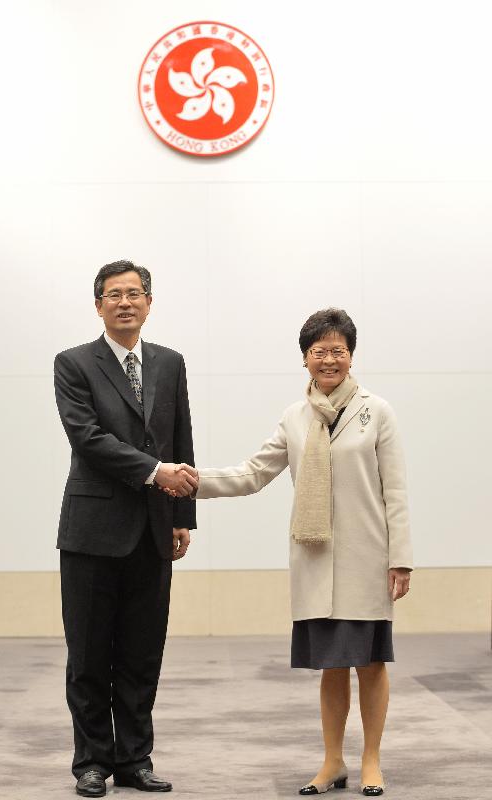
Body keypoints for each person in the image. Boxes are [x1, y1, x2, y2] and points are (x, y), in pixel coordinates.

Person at [196, 308, 412, 797]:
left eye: (338, 350)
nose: (329, 359)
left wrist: (401, 558)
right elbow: (253, 473)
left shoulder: (376, 411)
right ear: (305, 359)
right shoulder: (295, 418)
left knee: (370, 663)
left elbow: (395, 491)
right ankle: (332, 761)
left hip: (367, 559)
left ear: (351, 356)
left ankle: (371, 761)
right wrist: (194, 483)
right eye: (320, 351)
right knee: (331, 665)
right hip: (314, 560)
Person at [54, 260, 198, 797]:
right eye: (113, 295)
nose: (125, 302)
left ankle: (135, 760)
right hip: (92, 531)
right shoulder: (74, 364)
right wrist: (153, 472)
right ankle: (91, 761)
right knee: (89, 654)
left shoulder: (170, 363)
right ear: (98, 306)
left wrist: (183, 515)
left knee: (141, 653)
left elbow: (181, 434)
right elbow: (87, 438)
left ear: (149, 302)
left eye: (134, 293)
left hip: (155, 530)